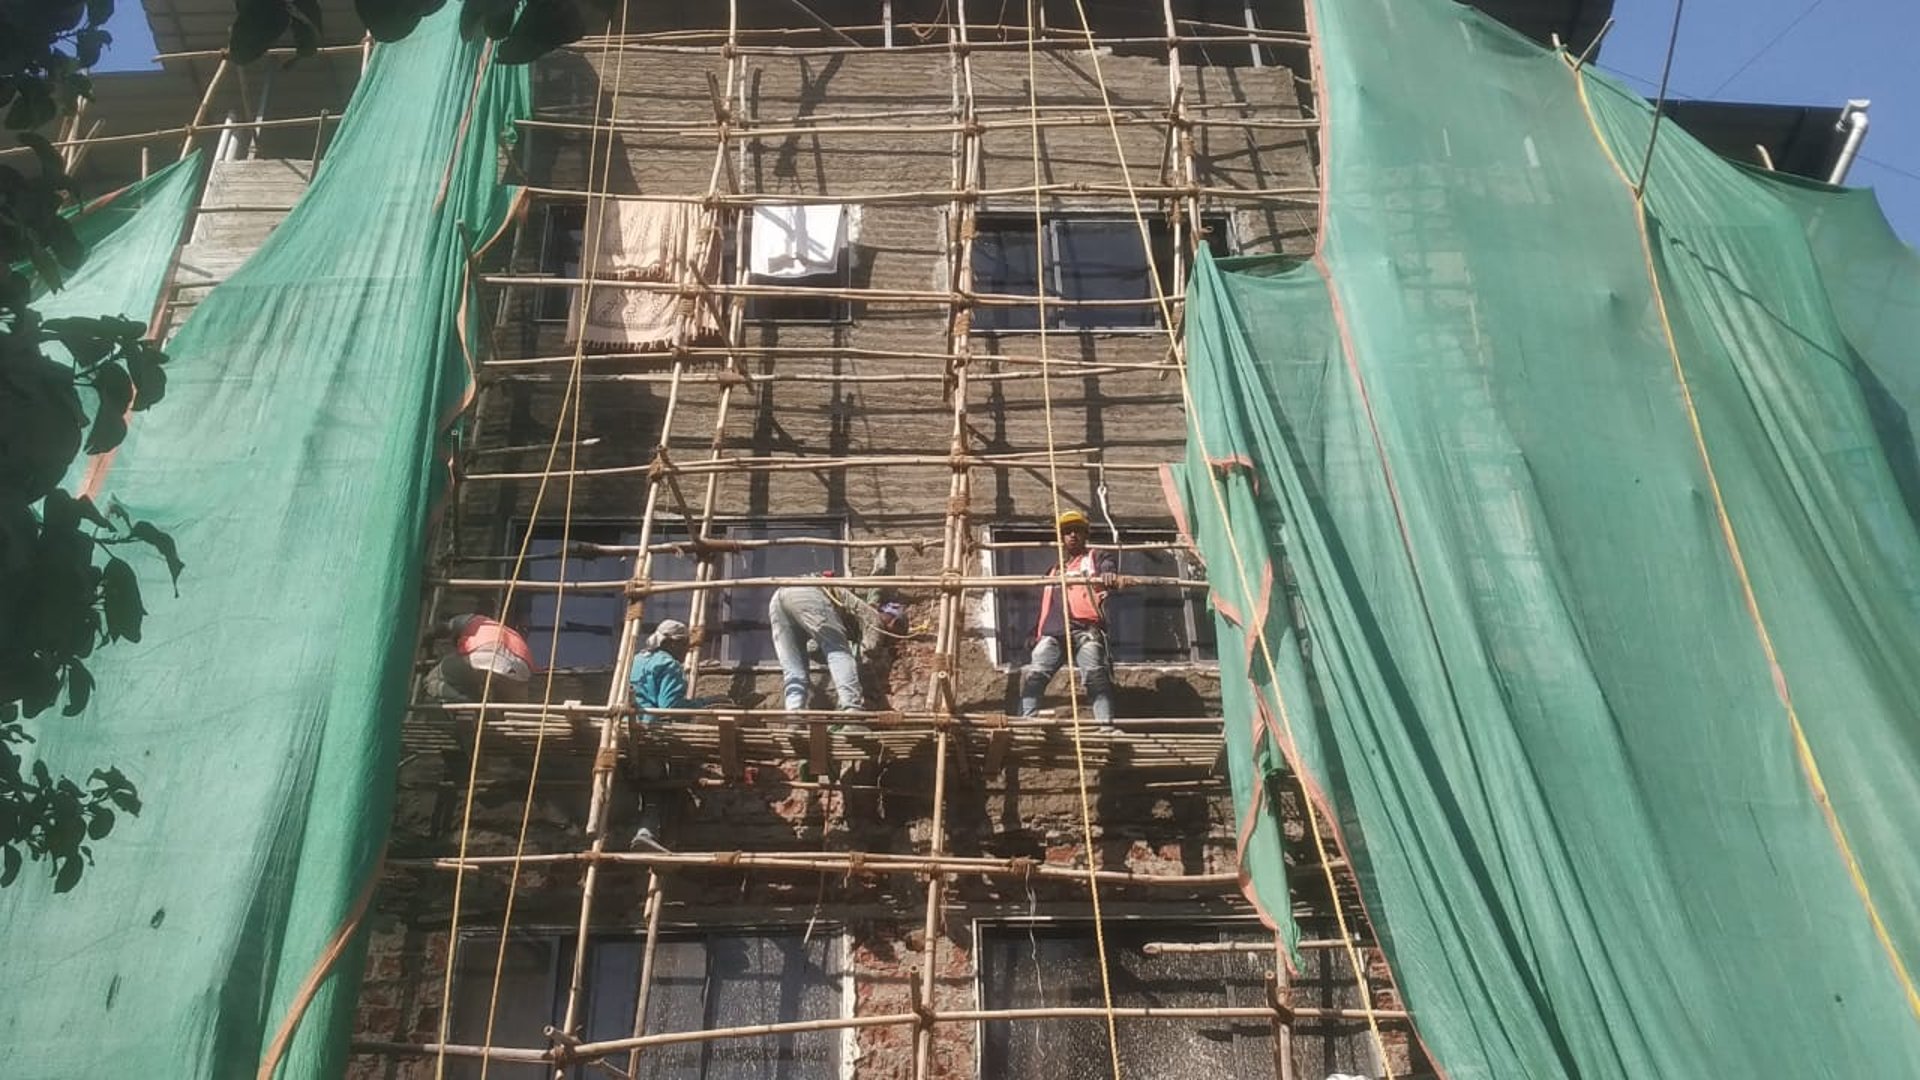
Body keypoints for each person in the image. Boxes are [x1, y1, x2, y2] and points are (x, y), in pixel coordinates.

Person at [626, 619, 726, 851]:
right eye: (684, 646)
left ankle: (647, 833)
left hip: (628, 730)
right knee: (659, 788)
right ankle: (646, 833)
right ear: (672, 644)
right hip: (651, 733)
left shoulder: (637, 661)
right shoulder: (668, 664)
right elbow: (670, 708)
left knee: (652, 789)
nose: (685, 652)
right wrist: (705, 705)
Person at [1018, 510, 1119, 725]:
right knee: (1035, 676)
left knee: (1096, 677)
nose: (1072, 535)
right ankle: (1026, 722)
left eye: (1078, 531)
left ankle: (1106, 726)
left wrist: (1108, 573)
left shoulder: (1095, 558)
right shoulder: (1054, 571)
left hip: (1086, 629)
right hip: (1054, 632)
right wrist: (1036, 632)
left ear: (1085, 535)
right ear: (1061, 538)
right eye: (1067, 532)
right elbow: (1048, 606)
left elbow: (1108, 565)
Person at [768, 576, 897, 714]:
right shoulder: (875, 621)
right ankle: (853, 710)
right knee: (840, 652)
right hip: (808, 591)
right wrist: (876, 696)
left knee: (794, 669)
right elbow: (865, 658)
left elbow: (812, 649)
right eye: (898, 632)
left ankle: (794, 716)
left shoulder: (857, 618)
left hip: (779, 597)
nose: (893, 640)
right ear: (894, 623)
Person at [424, 613, 534, 703]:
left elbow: (442, 628)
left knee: (432, 679)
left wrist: (424, 640)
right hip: (520, 674)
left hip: (488, 657)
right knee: (504, 709)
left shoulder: (474, 622)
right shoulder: (499, 629)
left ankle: (466, 703)